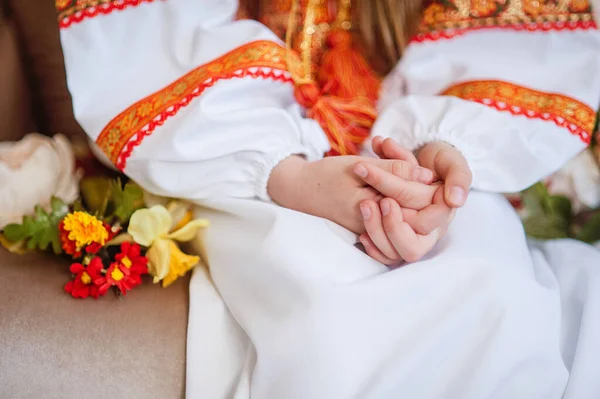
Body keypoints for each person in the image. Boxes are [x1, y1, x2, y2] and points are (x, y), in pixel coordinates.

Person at [56, 0, 600, 397]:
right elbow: (155, 45)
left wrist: (436, 159)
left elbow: (494, 44)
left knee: (491, 286)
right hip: (245, 169)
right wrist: (290, 177)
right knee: (332, 318)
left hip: (407, 158)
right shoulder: (247, 155)